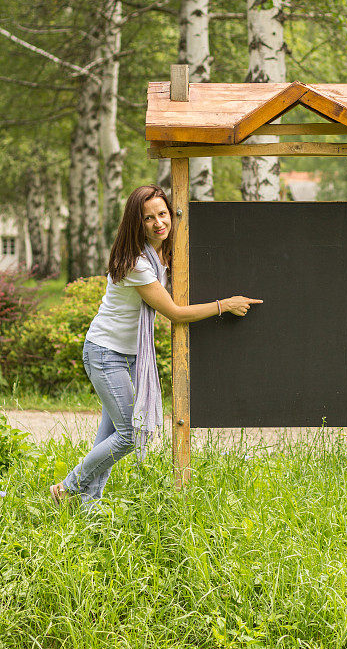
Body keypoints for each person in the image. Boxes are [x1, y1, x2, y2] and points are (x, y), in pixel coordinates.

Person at [50, 184, 262, 510]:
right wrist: (224, 304)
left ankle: (88, 507)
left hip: (129, 356)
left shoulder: (160, 253)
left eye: (163, 214)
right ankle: (67, 488)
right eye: (148, 218)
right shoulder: (137, 264)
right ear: (137, 223)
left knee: (109, 436)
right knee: (128, 436)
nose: (159, 223)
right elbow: (174, 313)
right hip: (106, 354)